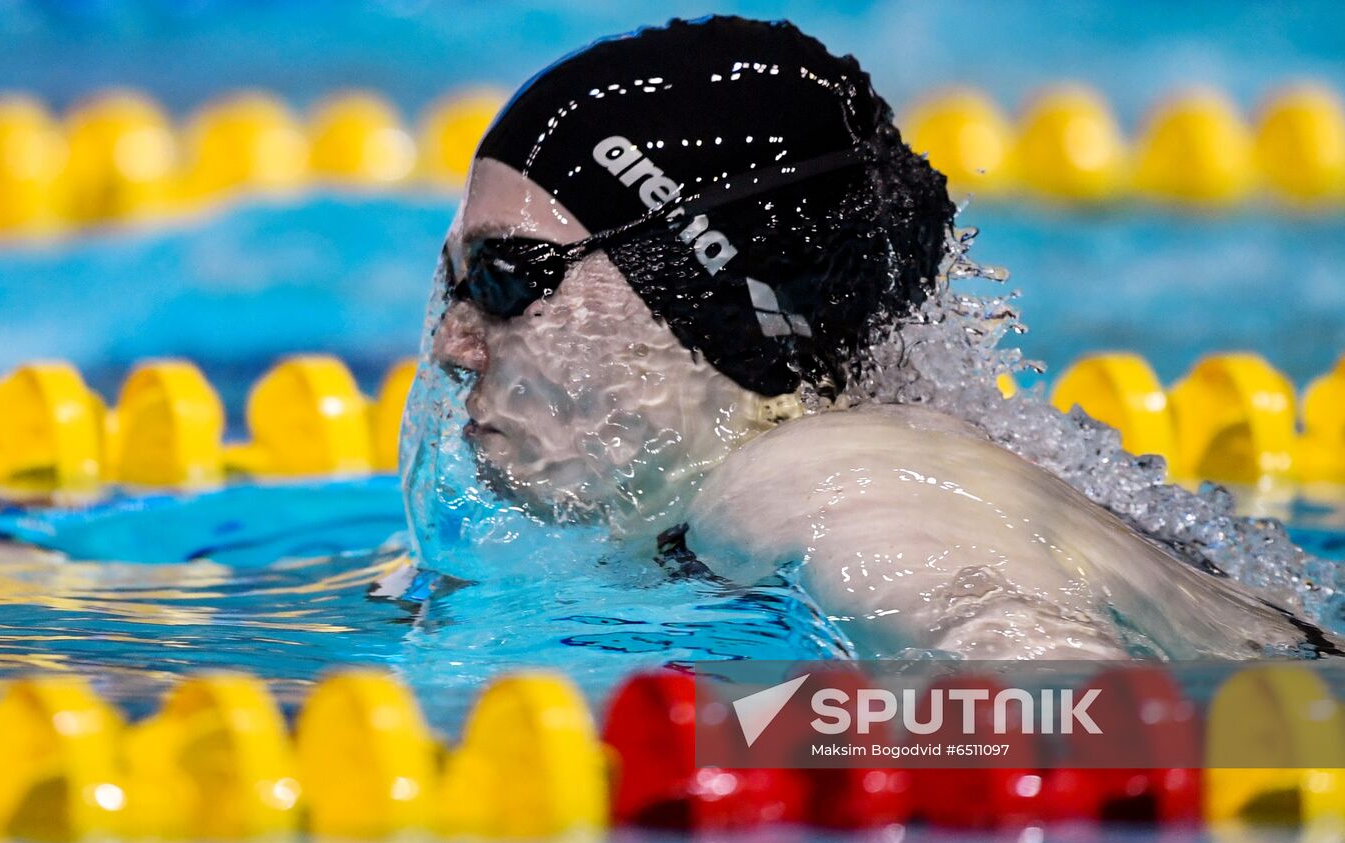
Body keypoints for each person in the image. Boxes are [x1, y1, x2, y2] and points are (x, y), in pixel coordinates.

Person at [420, 15, 1334, 660]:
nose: (455, 345)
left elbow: (1087, 745)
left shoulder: (820, 487)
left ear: (716, 304)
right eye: (456, 279)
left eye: (508, 278)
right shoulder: (705, 506)